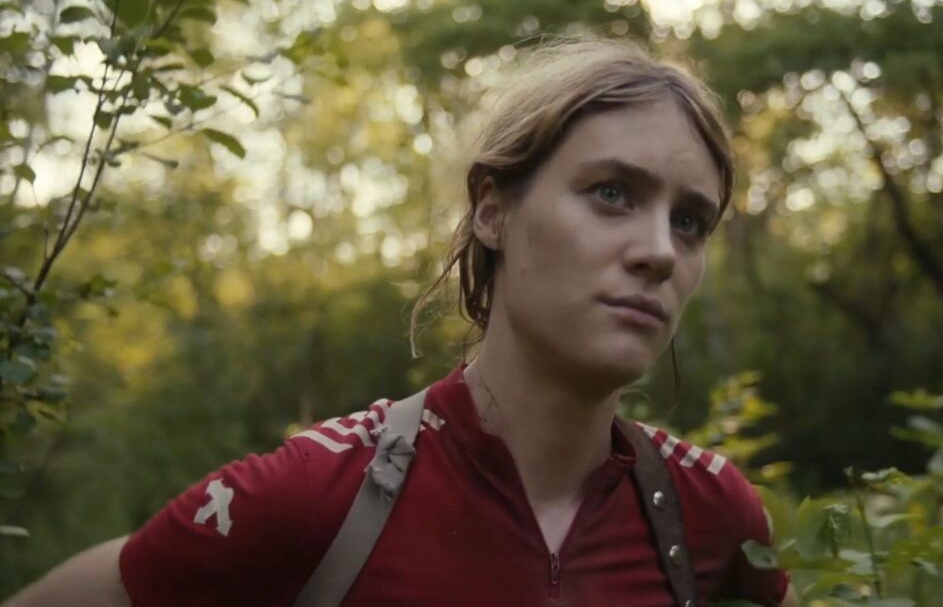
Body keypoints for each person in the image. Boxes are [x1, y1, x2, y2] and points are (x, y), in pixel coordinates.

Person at [5, 37, 798, 606]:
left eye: (690, 222)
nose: (658, 251)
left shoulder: (712, 515)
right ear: (493, 210)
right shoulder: (321, 497)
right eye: (612, 193)